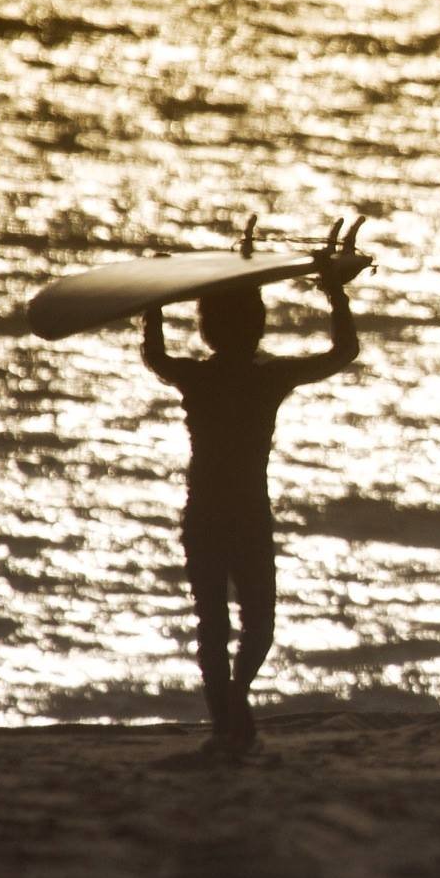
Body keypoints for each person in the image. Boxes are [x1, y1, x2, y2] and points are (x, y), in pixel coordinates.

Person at [143, 259, 361, 758]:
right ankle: (233, 711)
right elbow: (344, 351)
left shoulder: (195, 377)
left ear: (206, 330)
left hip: (204, 513)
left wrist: (153, 303)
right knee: (258, 622)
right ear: (258, 325)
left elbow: (155, 357)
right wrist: (335, 294)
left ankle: (229, 717)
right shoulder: (270, 378)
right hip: (248, 514)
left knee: (214, 624)